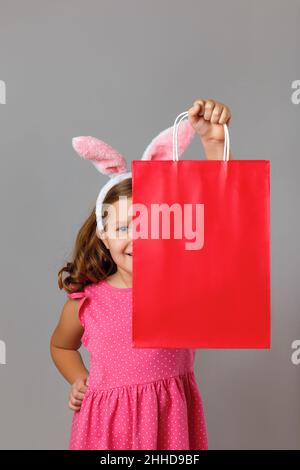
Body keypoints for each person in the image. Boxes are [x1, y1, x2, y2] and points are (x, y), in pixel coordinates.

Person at [50, 99, 233, 450]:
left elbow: (224, 217)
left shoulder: (183, 287)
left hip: (169, 427)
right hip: (105, 431)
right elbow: (61, 345)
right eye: (123, 226)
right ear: (104, 235)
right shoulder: (86, 302)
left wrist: (215, 144)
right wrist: (77, 379)